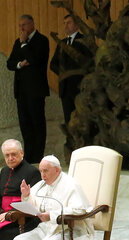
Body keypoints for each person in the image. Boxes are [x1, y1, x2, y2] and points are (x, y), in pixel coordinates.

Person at [6, 14, 50, 164]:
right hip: (22, 91)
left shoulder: (41, 41)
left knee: (37, 122)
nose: (22, 28)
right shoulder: (17, 42)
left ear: (32, 24)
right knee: (25, 124)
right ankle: (29, 156)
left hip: (36, 90)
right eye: (20, 25)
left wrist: (24, 45)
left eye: (24, 25)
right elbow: (10, 63)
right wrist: (20, 64)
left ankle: (38, 155)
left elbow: (34, 59)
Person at [50, 13, 92, 156]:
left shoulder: (84, 41)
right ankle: (72, 148)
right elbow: (53, 64)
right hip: (65, 88)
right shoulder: (61, 43)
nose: (66, 26)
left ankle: (84, 149)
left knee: (82, 119)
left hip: (79, 88)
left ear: (76, 25)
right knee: (69, 120)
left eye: (68, 22)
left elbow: (89, 63)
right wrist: (64, 73)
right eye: (64, 23)